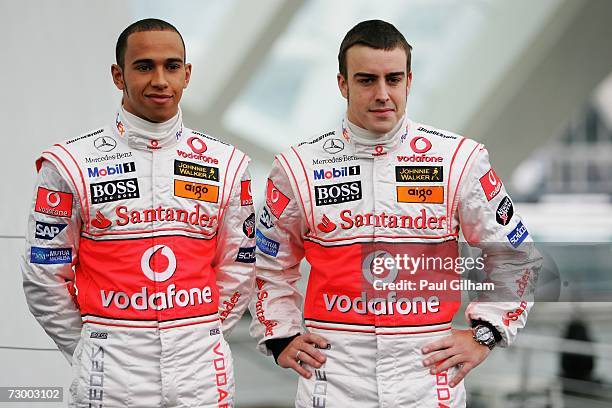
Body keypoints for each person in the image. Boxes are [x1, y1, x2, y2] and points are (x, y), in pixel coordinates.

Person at [250, 19, 541, 407]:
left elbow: (516, 253)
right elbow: (264, 261)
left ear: (409, 81)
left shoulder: (457, 159)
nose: (382, 94)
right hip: (332, 381)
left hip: (428, 380)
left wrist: (485, 334)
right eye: (367, 80)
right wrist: (280, 335)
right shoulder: (298, 167)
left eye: (393, 79)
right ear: (343, 84)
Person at [22, 18, 255, 407]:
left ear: (187, 74)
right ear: (119, 75)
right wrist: (92, 347)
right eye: (144, 66)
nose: (160, 79)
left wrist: (204, 333)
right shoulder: (69, 164)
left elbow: (240, 268)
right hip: (111, 371)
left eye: (172, 66)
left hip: (201, 370)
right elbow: (44, 276)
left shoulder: (227, 164)